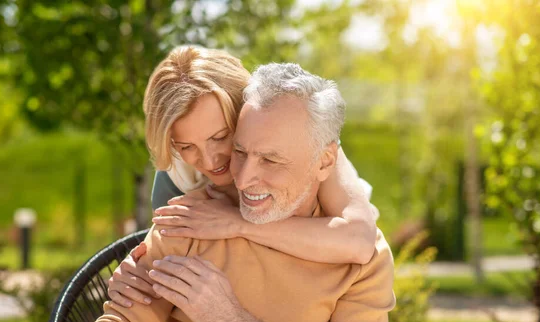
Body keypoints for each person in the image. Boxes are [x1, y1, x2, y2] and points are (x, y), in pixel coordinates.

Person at [82, 63, 395, 322]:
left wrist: (231, 320)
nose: (242, 180)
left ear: (324, 162)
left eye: (271, 160)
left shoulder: (362, 257)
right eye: (240, 152)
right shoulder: (193, 221)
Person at [107, 46, 379, 308]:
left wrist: (238, 224)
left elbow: (358, 240)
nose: (210, 161)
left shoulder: (303, 137)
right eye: (187, 147)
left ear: (246, 109)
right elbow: (166, 263)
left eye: (221, 137)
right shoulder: (176, 180)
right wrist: (138, 274)